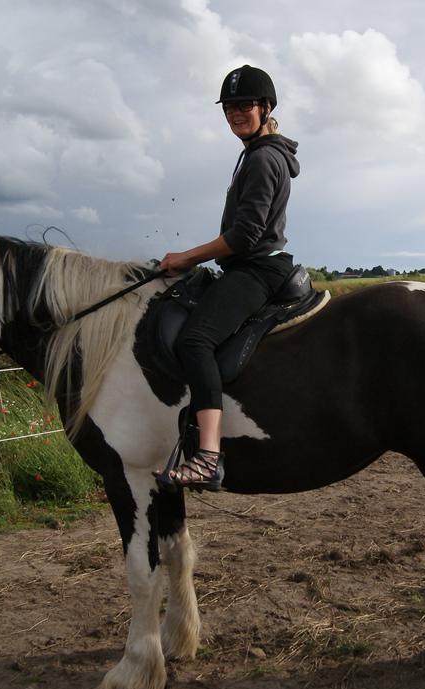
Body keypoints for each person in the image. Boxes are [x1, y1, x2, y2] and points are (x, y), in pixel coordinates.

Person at [154, 64, 300, 491]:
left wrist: (187, 257)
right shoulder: (257, 154)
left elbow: (244, 235)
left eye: (244, 105)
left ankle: (207, 457)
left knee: (194, 341)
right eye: (229, 107)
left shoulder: (264, 158)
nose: (235, 114)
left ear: (266, 107)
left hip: (257, 269)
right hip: (251, 265)